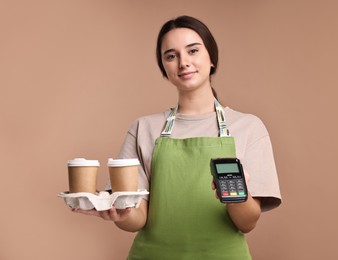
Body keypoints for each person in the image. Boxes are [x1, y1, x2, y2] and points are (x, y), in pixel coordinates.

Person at [74, 15, 282, 259]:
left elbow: (247, 223)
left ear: (212, 58)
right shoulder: (144, 128)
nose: (183, 63)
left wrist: (239, 196)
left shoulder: (248, 127)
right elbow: (139, 218)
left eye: (193, 51)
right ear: (164, 67)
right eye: (171, 56)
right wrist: (121, 213)